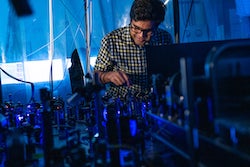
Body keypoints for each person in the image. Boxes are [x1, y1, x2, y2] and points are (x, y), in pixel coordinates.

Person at [94, 0, 173, 103]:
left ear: (157, 26)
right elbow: (95, 77)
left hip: (156, 103)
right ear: (131, 20)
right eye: (136, 28)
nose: (141, 35)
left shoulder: (164, 38)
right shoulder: (111, 41)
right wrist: (107, 76)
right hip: (122, 104)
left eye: (148, 31)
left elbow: (172, 74)